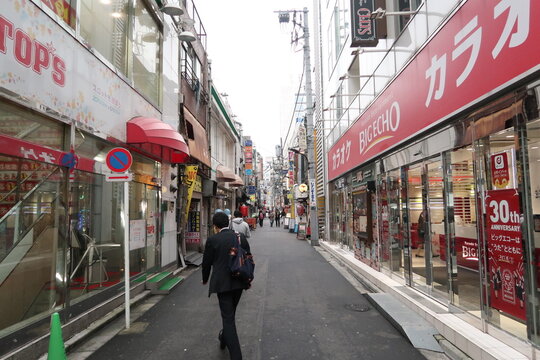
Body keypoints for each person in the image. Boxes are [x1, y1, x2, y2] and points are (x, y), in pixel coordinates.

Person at [202, 211, 251, 360]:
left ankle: (236, 356)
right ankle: (224, 337)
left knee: (228, 318)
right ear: (228, 223)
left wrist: (205, 279)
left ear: (215, 226)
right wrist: (248, 278)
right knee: (230, 315)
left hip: (222, 284)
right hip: (239, 282)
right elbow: (248, 257)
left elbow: (206, 263)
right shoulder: (240, 237)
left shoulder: (213, 240)